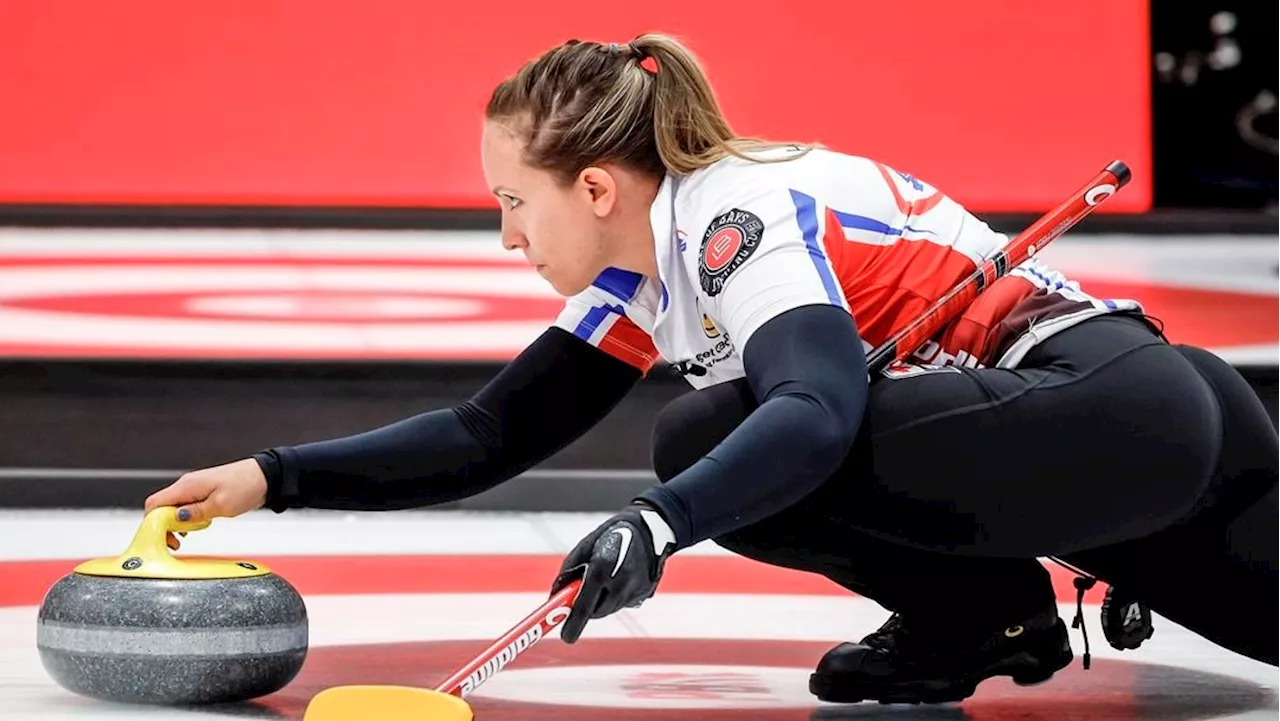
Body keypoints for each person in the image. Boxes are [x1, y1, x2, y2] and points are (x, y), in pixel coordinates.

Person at [144, 34, 1280, 705]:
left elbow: (819, 408)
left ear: (594, 188)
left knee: (706, 442)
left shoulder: (731, 213)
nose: (503, 236)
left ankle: (975, 614)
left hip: (1110, 413)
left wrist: (655, 523)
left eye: (510, 202)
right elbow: (489, 434)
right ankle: (985, 615)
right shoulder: (644, 276)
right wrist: (270, 474)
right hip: (1147, 424)